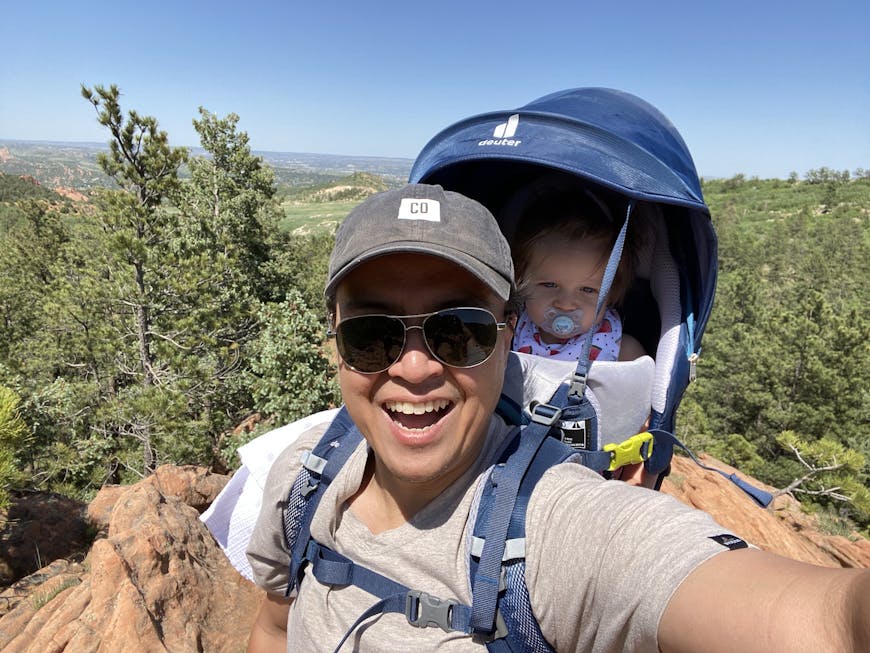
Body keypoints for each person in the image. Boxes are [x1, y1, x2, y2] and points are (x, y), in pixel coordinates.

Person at [246, 184, 869, 652]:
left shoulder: (554, 529)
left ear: (508, 337)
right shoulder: (305, 475)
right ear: (334, 344)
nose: (413, 368)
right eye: (372, 334)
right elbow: (275, 625)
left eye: (458, 331)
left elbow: (825, 622)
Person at [510, 185, 645, 362]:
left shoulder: (624, 352)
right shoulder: (509, 333)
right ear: (520, 280)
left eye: (588, 290)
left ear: (611, 294)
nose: (565, 305)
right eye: (549, 285)